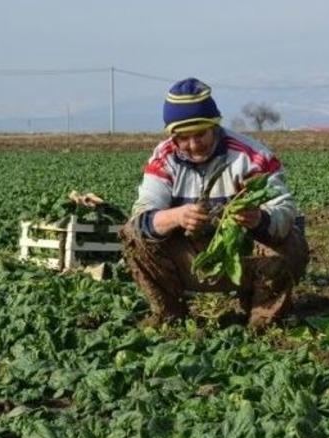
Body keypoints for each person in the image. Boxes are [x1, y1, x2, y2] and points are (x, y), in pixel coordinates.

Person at [120, 77, 308, 329]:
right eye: (184, 138)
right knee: (133, 234)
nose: (194, 145)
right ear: (172, 135)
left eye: (200, 134)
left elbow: (284, 210)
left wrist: (259, 218)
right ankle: (169, 314)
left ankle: (263, 318)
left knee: (292, 238)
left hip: (242, 259)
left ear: (215, 126)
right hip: (190, 259)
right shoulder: (164, 159)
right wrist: (176, 216)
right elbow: (142, 214)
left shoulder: (250, 158)